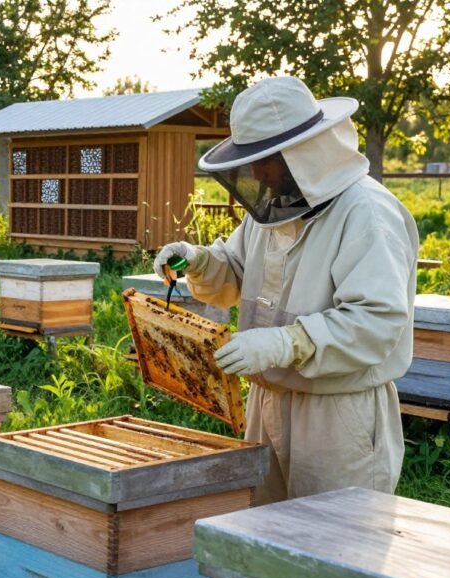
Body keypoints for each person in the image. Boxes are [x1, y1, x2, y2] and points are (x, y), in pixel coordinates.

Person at [154, 76, 418, 505]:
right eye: (251, 160)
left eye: (266, 159)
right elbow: (236, 271)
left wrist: (288, 342)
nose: (257, 173)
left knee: (333, 550)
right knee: (261, 539)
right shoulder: (274, 208)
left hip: (337, 415)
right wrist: (200, 261)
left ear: (304, 153)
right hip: (268, 402)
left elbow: (378, 321)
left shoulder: (367, 213)